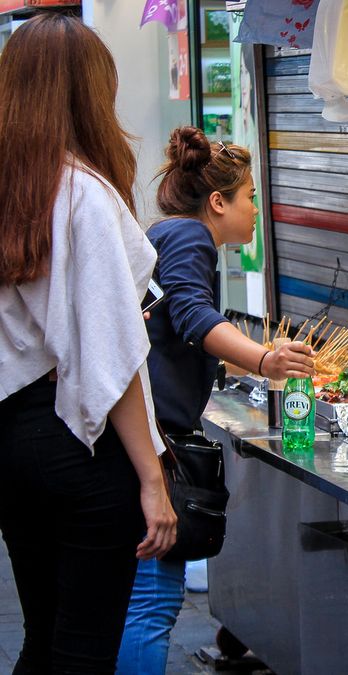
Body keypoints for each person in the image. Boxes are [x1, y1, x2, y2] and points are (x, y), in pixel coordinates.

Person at [0, 13, 177, 673]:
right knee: (82, 652)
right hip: (79, 441)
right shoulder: (83, 192)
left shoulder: (10, 187)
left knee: (41, 639)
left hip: (12, 438)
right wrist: (153, 479)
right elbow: (114, 354)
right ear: (88, 93)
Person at [116, 126, 315, 675]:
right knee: (150, 604)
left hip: (142, 437)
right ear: (218, 201)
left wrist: (240, 356)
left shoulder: (171, 234)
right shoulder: (188, 237)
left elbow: (178, 334)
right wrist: (264, 359)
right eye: (250, 196)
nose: (255, 210)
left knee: (138, 602)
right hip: (150, 445)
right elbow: (193, 318)